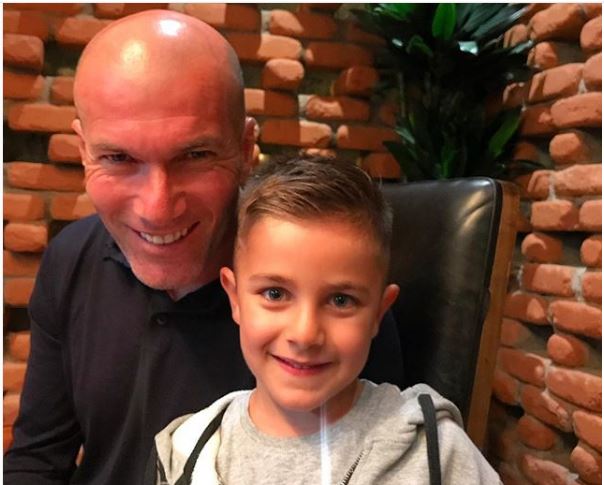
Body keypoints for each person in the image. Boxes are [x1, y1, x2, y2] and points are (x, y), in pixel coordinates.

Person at [3, 10, 404, 484]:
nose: (157, 209)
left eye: (195, 155)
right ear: (83, 151)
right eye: (118, 158)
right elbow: (37, 459)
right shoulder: (70, 257)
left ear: (246, 147)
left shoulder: (326, 298)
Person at [150, 156, 500, 484]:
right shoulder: (187, 453)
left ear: (378, 313)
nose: (305, 334)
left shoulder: (436, 452)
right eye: (275, 294)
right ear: (235, 298)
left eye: (340, 300)